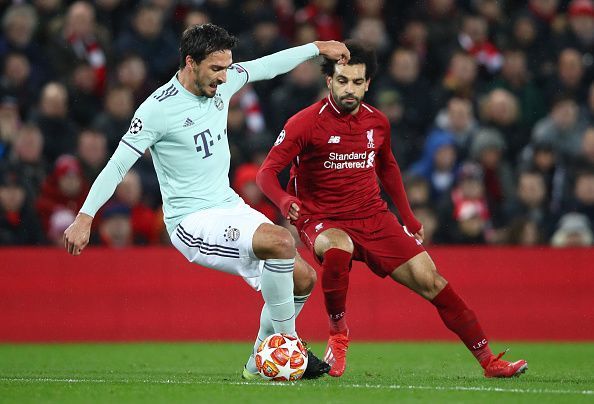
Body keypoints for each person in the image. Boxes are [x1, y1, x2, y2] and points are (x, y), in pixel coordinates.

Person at [63, 23, 350, 380]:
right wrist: (85, 216)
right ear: (190, 62)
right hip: (191, 221)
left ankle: (254, 367)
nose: (223, 77)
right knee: (280, 241)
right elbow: (118, 164)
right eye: (216, 69)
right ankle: (289, 345)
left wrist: (316, 47)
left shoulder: (223, 82)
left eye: (227, 67)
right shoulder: (156, 109)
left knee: (303, 278)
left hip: (227, 205)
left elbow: (266, 65)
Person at [256, 40, 528, 378]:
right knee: (338, 249)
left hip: (373, 216)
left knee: (433, 281)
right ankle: (338, 334)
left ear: (368, 83)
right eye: (342, 81)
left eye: (357, 82)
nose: (350, 89)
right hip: (323, 218)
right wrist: (284, 200)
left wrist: (408, 217)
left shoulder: (378, 122)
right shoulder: (304, 123)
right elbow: (265, 173)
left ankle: (489, 361)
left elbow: (388, 168)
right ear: (329, 81)